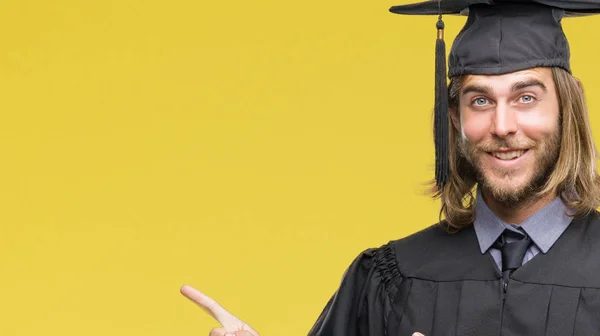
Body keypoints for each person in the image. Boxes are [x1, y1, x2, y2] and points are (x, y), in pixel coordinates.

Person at [180, 0, 600, 334]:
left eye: (526, 97)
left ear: (568, 105)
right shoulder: (391, 277)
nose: (503, 126)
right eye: (480, 101)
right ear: (454, 117)